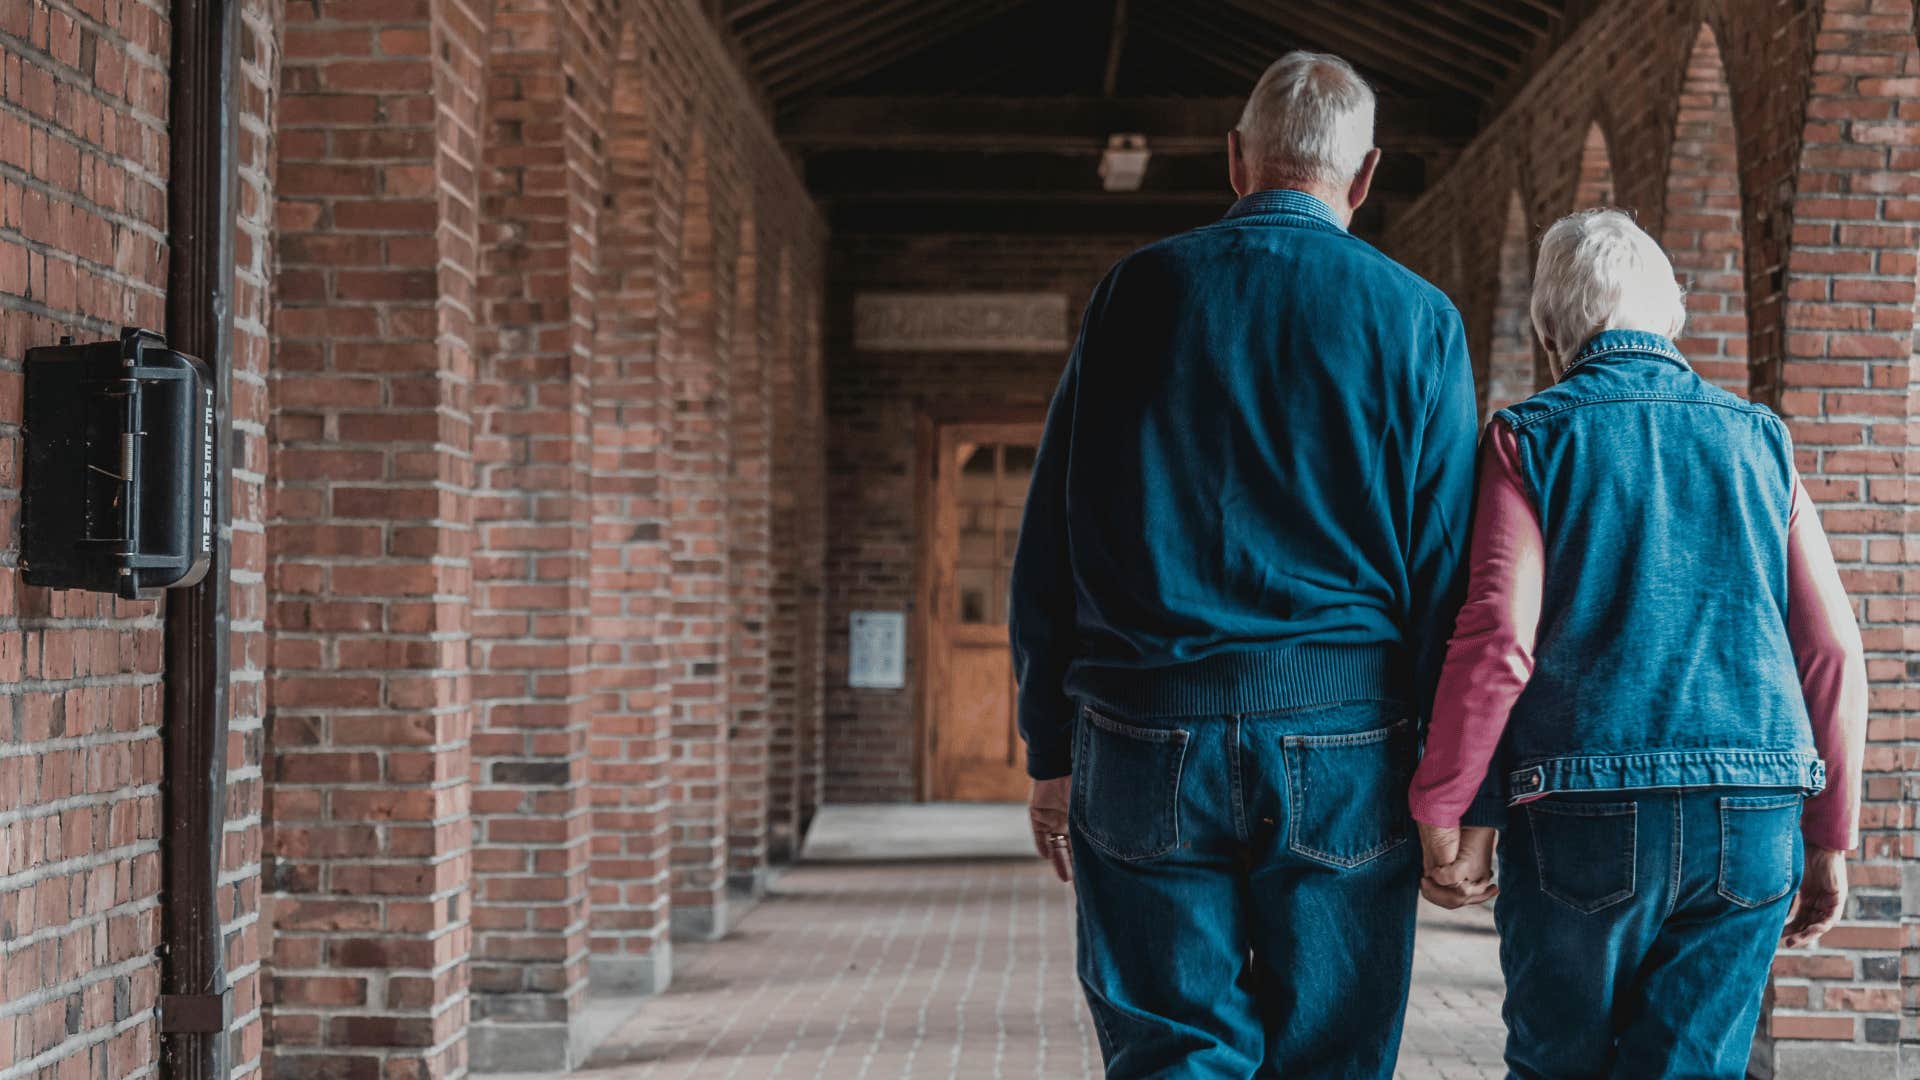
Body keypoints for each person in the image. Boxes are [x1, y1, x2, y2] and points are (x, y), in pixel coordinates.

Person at [1009, 51, 1479, 1078]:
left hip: (1142, 731)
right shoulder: (1416, 318)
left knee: (1174, 1051)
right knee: (1335, 1052)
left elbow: (1054, 531)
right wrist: (1452, 786)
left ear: (1235, 160)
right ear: (1363, 178)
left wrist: (1050, 744)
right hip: (1345, 741)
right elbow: (1451, 571)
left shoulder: (1136, 292)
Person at [1409, 209, 1868, 1078]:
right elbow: (1833, 651)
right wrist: (1830, 835)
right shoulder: (1762, 441)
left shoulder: (1527, 438)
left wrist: (1446, 804)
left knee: (1561, 1064)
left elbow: (1501, 638)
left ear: (1552, 333)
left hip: (1584, 807)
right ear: (1670, 319)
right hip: (1753, 807)